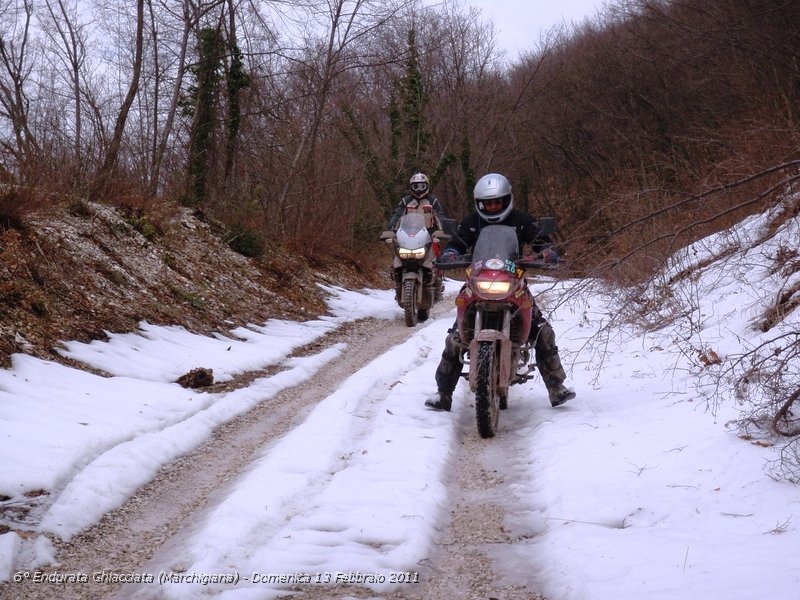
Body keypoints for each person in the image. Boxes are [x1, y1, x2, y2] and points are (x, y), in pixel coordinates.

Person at [424, 172, 576, 411]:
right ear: (479, 203)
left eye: (497, 202)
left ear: (507, 199)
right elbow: (458, 243)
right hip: (478, 281)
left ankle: (556, 388)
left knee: (543, 332)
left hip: (513, 282)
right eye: (488, 203)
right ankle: (443, 393)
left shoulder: (522, 220)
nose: (493, 207)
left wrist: (546, 251)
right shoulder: (471, 222)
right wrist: (450, 253)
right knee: (455, 336)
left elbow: (541, 240)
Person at [387, 172, 449, 301]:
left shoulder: (433, 201)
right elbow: (397, 215)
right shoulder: (405, 201)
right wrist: (391, 229)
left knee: (435, 260)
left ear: (427, 186)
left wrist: (445, 230)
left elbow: (441, 217)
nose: (419, 189)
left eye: (421, 186)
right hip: (408, 234)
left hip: (429, 235)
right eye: (416, 186)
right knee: (396, 256)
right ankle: (398, 281)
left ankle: (437, 285)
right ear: (411, 187)